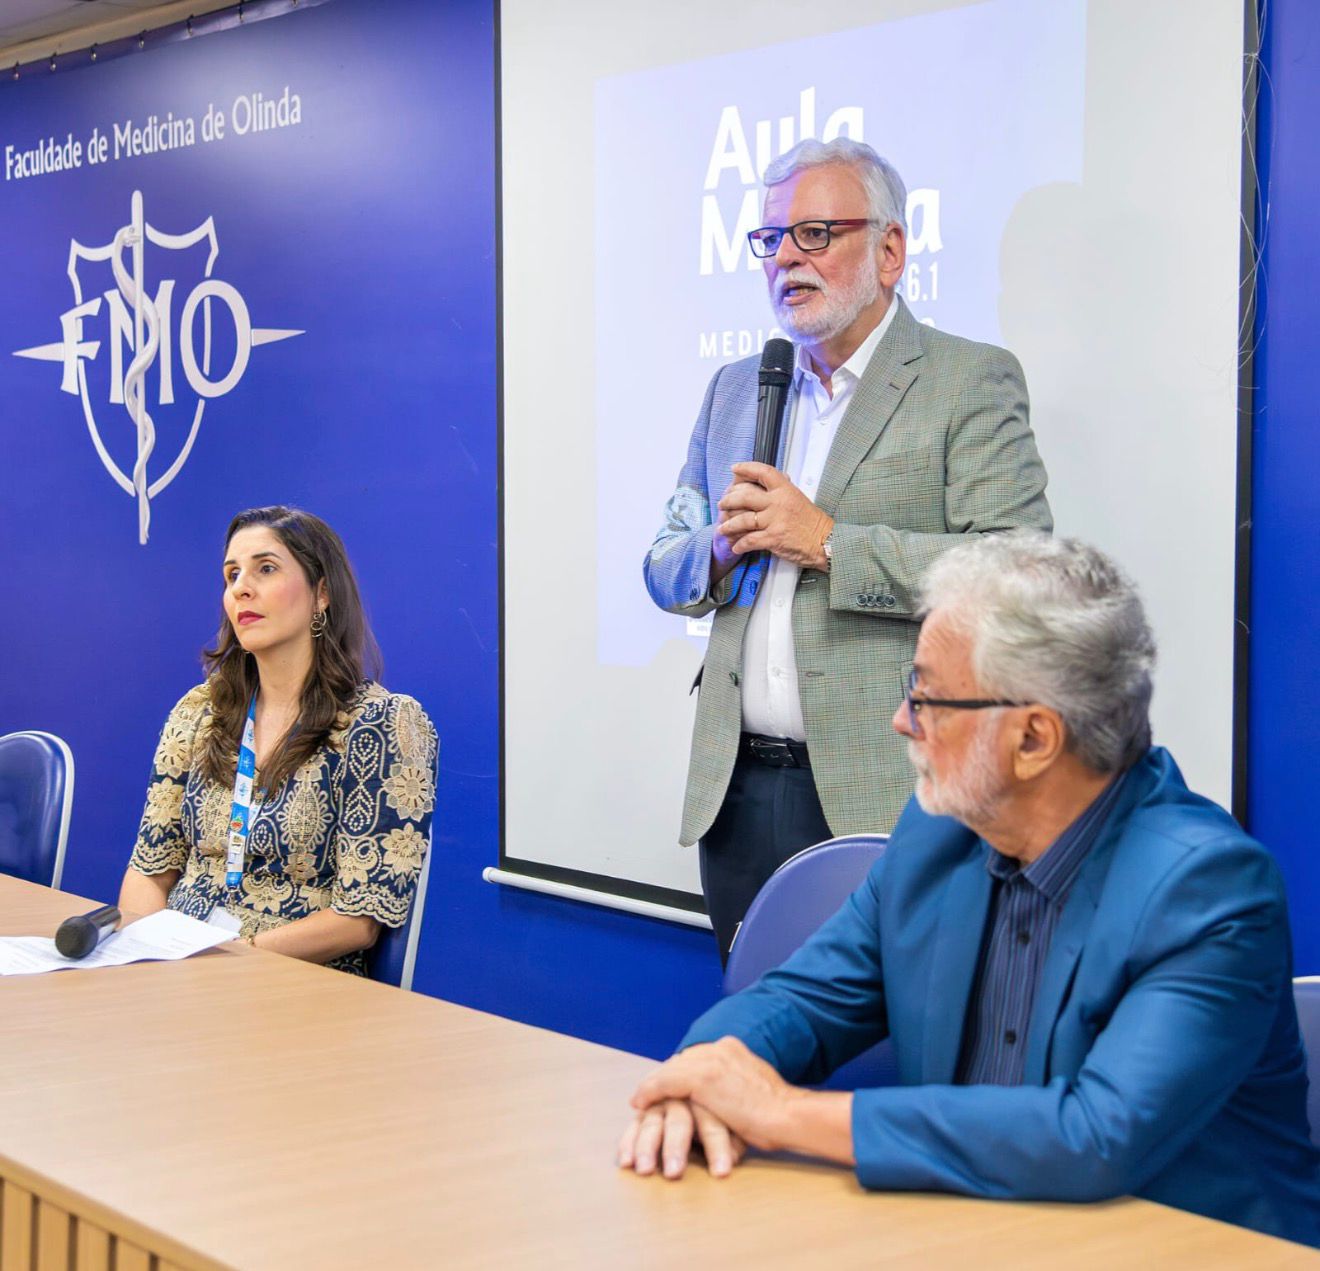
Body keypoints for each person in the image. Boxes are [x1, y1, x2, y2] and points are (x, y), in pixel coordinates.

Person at [620, 533, 1320, 1248]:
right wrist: (700, 1073)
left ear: (1033, 739)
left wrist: (777, 1111)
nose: (902, 720)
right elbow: (798, 1000)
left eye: (926, 696)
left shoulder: (1210, 891)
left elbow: (1093, 1136)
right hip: (976, 1232)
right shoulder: (937, 835)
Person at [644, 137, 1052, 961]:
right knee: (758, 1039)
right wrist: (721, 550)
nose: (787, 258)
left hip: (886, 792)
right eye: (770, 240)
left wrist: (825, 540)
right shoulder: (736, 389)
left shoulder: (966, 380)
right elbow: (664, 561)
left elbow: (1017, 572)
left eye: (816, 234)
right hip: (737, 792)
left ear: (892, 250)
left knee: (889, 1050)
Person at [119, 506, 437, 976]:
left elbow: (358, 921)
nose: (241, 587)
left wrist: (226, 965)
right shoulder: (198, 712)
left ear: (322, 592)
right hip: (178, 971)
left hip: (294, 985)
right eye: (232, 574)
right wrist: (145, 957)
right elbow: (149, 870)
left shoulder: (382, 723)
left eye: (266, 569)